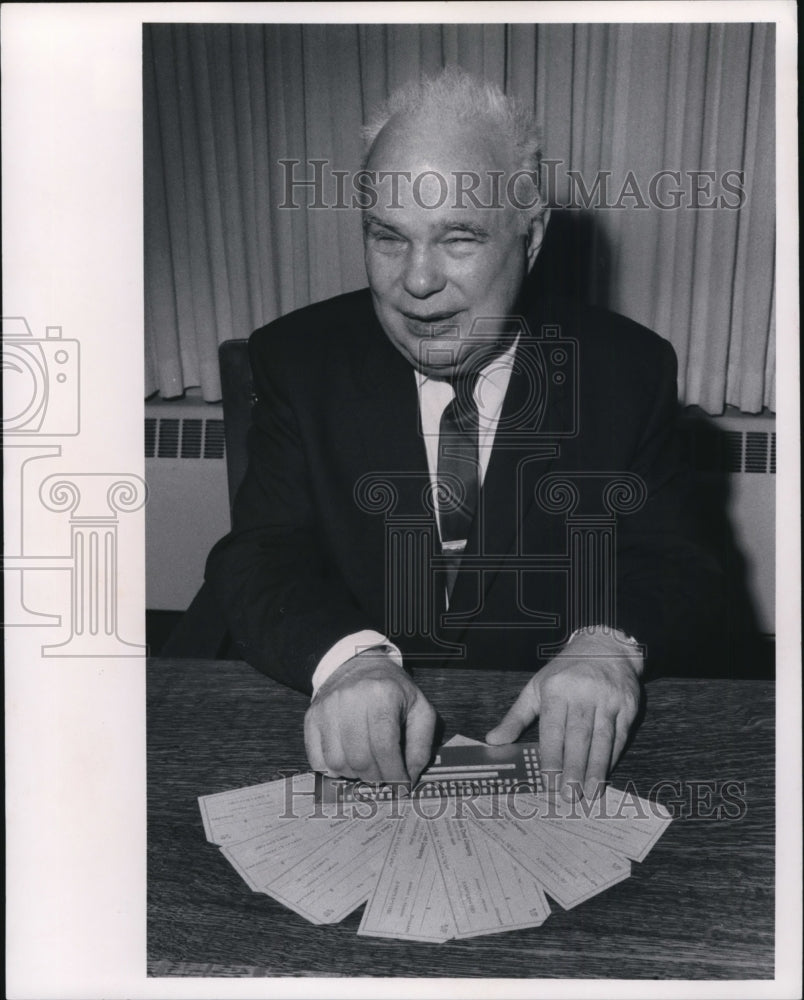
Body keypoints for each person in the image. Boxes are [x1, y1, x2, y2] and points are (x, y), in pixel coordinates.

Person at [206, 69, 722, 802]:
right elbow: (260, 553)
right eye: (389, 238)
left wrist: (607, 644)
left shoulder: (627, 368)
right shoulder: (298, 357)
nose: (417, 282)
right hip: (355, 743)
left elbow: (677, 562)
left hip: (552, 753)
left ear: (532, 236)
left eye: (458, 238)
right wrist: (347, 660)